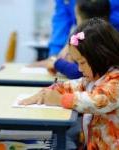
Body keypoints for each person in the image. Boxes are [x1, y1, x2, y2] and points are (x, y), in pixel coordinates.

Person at [19, 18, 119, 149]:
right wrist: (46, 93)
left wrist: (60, 100)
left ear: (102, 57)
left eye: (82, 63)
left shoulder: (115, 81)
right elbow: (70, 86)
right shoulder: (92, 79)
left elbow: (97, 101)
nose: (79, 69)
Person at [31, 0, 119, 79]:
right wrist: (56, 55)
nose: (81, 68)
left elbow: (79, 73)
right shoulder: (106, 38)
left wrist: (56, 63)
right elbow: (61, 19)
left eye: (76, 19)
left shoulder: (95, 43)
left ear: (80, 19)